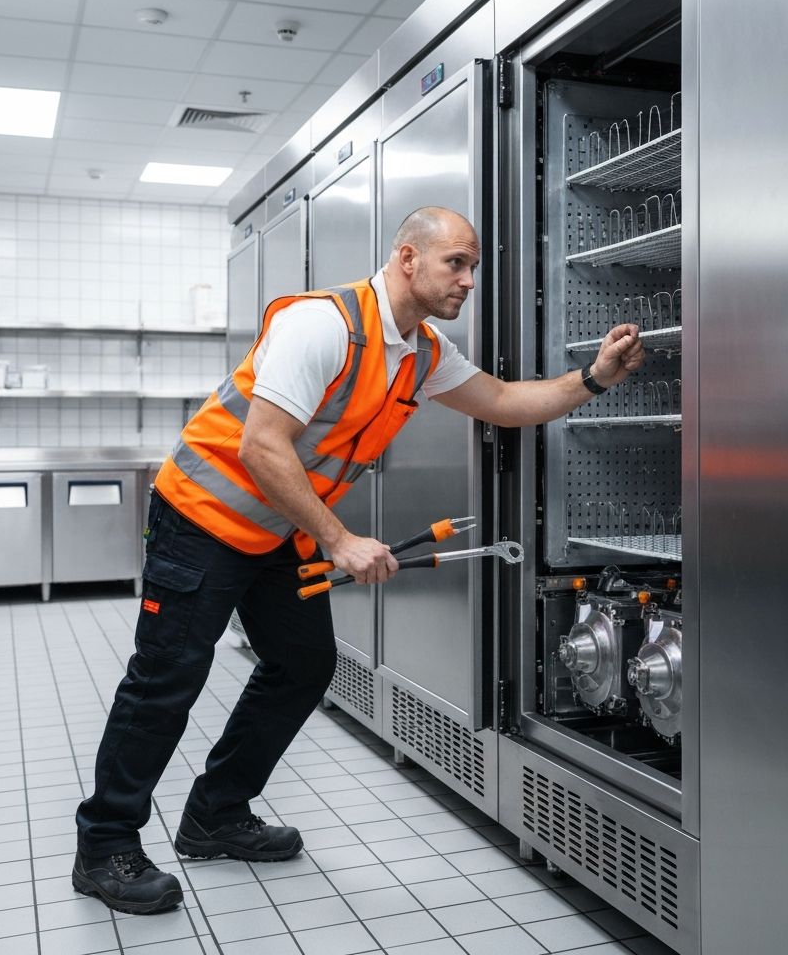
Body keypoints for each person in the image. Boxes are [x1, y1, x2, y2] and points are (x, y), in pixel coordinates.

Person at [72, 206, 645, 914]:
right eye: (456, 263)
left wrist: (594, 377)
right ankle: (105, 844)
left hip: (277, 530)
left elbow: (501, 401)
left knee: (304, 664)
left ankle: (216, 812)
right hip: (201, 517)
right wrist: (339, 539)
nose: (468, 280)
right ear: (408, 259)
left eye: (473, 267)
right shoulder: (322, 325)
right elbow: (261, 446)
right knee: (166, 679)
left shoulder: (422, 352)